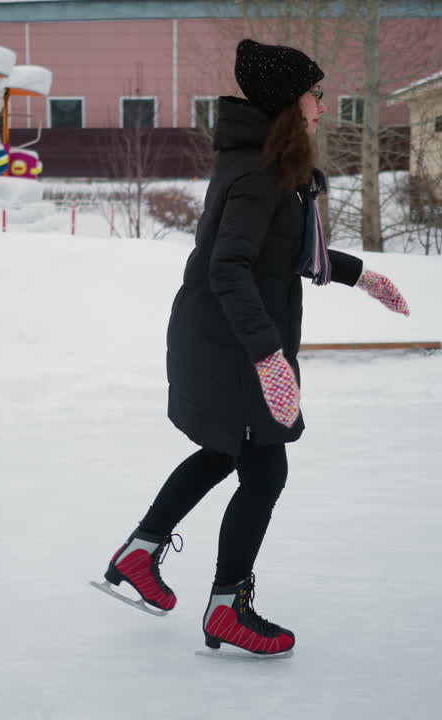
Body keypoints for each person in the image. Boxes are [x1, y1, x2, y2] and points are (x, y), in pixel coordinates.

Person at [98, 39, 410, 656]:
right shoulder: (259, 175)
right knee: (265, 468)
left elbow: (283, 251)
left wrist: (359, 276)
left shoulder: (267, 167)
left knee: (227, 454)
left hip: (224, 338)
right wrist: (270, 359)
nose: (321, 105)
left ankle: (141, 552)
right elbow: (230, 268)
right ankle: (225, 607)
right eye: (314, 94)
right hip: (232, 346)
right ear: (290, 104)